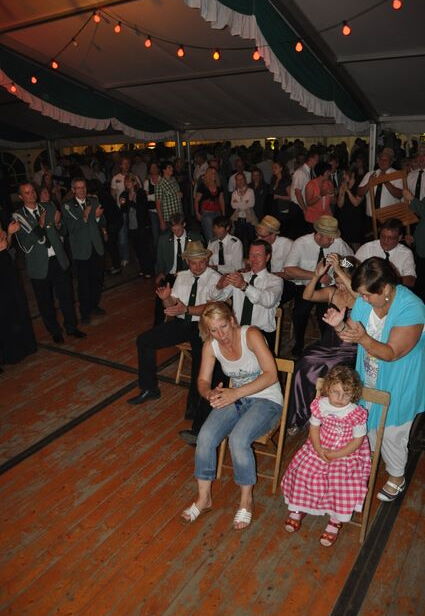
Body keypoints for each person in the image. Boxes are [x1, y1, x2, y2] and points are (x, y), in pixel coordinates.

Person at [323, 257, 425, 501]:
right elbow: (351, 333)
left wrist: (363, 339)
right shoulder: (365, 300)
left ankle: (397, 476)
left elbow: (392, 353)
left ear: (386, 288)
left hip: (400, 377)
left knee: (391, 431)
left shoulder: (412, 307)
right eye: (361, 294)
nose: (363, 299)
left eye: (368, 295)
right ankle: (366, 462)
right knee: (367, 422)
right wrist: (339, 326)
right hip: (369, 372)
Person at [181, 301, 283, 530]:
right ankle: (204, 498)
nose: (221, 335)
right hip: (234, 397)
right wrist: (209, 393)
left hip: (267, 399)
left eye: (224, 327)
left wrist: (235, 393)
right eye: (214, 330)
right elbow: (202, 381)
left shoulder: (251, 335)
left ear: (233, 320)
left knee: (238, 439)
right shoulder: (211, 345)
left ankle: (246, 500)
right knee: (205, 436)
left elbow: (271, 375)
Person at [128, 242, 225, 422]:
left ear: (207, 260)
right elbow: (173, 306)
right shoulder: (182, 276)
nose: (198, 266)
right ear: (187, 261)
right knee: (144, 340)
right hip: (182, 322)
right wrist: (166, 299)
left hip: (204, 326)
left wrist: (186, 309)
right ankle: (150, 388)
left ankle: (195, 410)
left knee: (200, 362)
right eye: (194, 263)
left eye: (202, 262)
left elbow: (212, 307)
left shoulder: (215, 278)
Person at [282, 365, 370, 547]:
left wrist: (337, 454)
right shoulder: (320, 404)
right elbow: (314, 428)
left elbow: (357, 441)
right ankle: (299, 506)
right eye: (336, 392)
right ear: (328, 388)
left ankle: (335, 519)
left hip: (347, 451)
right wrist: (318, 448)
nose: (340, 398)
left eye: (346, 394)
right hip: (321, 444)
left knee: (340, 481)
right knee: (304, 471)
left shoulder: (356, 413)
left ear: (353, 394)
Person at [287, 254, 359, 434]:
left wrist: (340, 270)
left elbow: (357, 294)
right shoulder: (332, 292)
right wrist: (316, 276)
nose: (340, 285)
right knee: (304, 362)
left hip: (349, 349)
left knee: (327, 367)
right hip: (327, 344)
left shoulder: (360, 298)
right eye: (337, 281)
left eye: (343, 281)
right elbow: (307, 295)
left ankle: (325, 418)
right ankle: (300, 416)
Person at [14, 182, 85, 343]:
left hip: (57, 260)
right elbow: (25, 245)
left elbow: (63, 231)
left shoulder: (49, 207)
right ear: (20, 197)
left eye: (33, 191)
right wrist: (39, 226)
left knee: (66, 297)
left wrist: (59, 224)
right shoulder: (18, 217)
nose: (32, 195)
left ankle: (71, 327)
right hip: (38, 266)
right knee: (45, 302)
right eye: (27, 193)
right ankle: (55, 331)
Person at [284, 215, 353, 357]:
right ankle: (299, 344)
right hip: (306, 285)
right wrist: (316, 275)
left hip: (331, 287)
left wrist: (341, 263)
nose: (333, 241)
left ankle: (326, 344)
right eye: (330, 238)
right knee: (300, 313)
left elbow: (352, 262)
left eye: (333, 238)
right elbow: (289, 270)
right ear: (319, 235)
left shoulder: (338, 242)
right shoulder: (301, 243)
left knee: (326, 315)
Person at [212, 239, 283, 351]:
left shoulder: (275, 280)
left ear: (267, 257)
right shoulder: (241, 276)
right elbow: (217, 298)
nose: (253, 259)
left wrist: (244, 286)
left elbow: (268, 301)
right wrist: (219, 287)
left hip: (261, 333)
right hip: (237, 331)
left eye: (258, 255)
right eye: (251, 255)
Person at [62, 177, 107, 324]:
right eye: (79, 188)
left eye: (84, 187)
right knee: (84, 284)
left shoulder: (93, 201)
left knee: (97, 280)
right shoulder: (67, 206)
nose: (82, 190)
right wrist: (87, 216)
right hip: (81, 250)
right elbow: (70, 228)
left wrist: (98, 218)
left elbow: (103, 221)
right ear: (73, 190)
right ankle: (85, 312)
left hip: (96, 247)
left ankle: (94, 305)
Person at [154, 214, 202, 325]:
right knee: (161, 298)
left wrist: (186, 272)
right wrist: (160, 273)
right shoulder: (164, 239)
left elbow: (200, 261)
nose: (176, 232)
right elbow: (160, 260)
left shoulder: (195, 237)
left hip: (189, 274)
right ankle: (159, 326)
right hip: (170, 275)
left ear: (184, 225)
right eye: (173, 230)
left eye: (179, 229)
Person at [0, 221, 37, 365]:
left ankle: (22, 347)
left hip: (6, 268)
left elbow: (6, 246)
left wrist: (9, 234)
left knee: (16, 306)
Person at [355, 218, 416, 288]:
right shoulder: (367, 247)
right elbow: (350, 264)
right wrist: (344, 263)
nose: (385, 241)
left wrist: (390, 279)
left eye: (390, 238)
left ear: (399, 237)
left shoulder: (406, 253)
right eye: (383, 236)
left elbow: (411, 281)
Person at [119, 173, 153, 278]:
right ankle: (142, 269)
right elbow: (123, 210)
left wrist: (130, 203)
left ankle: (149, 270)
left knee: (144, 248)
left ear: (134, 182)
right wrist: (123, 203)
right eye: (126, 181)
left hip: (142, 225)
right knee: (137, 249)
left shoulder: (141, 193)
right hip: (131, 226)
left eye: (129, 181)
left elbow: (142, 208)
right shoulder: (124, 194)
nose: (127, 183)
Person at [358, 148, 403, 219]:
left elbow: (400, 195)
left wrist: (385, 181)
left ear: (391, 162)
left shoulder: (397, 175)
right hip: (371, 217)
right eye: (380, 159)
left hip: (390, 218)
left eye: (385, 160)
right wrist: (369, 184)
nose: (382, 162)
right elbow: (359, 193)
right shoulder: (370, 174)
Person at [336, 169, 366, 252]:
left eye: (345, 174)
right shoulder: (343, 185)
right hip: (344, 219)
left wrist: (347, 190)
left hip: (356, 220)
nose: (343, 176)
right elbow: (339, 204)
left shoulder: (359, 186)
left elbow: (356, 203)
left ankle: (359, 259)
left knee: (356, 244)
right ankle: (348, 260)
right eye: (343, 174)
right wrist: (342, 192)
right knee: (345, 245)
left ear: (352, 175)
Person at [403, 188, 425, 300]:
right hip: (420, 250)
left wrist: (412, 198)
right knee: (419, 286)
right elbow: (421, 220)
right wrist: (414, 239)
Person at [230, 172, 257, 257]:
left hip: (249, 220)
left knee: (250, 240)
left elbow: (251, 204)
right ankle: (240, 258)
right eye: (238, 179)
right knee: (239, 241)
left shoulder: (250, 191)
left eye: (241, 179)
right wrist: (244, 202)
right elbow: (233, 206)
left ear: (245, 180)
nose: (240, 181)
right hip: (238, 220)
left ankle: (251, 257)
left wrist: (238, 202)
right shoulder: (234, 193)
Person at [194, 167, 225, 242]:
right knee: (210, 237)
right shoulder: (203, 186)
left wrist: (223, 213)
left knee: (219, 235)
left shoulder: (219, 186)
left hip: (217, 212)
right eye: (212, 173)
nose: (213, 175)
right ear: (208, 174)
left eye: (215, 173)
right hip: (206, 213)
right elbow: (196, 200)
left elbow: (221, 200)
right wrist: (197, 213)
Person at [304, 162, 335, 227]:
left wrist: (332, 194)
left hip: (326, 218)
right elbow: (308, 203)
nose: (329, 173)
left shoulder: (329, 183)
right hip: (313, 218)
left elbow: (333, 202)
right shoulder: (311, 185)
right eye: (328, 172)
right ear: (321, 172)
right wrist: (320, 195)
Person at [155, 161, 183, 232]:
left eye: (172, 167)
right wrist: (161, 221)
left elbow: (177, 194)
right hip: (169, 219)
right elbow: (158, 204)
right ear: (164, 170)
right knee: (170, 237)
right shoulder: (159, 184)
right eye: (169, 167)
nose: (172, 169)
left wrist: (180, 194)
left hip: (179, 216)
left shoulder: (173, 179)